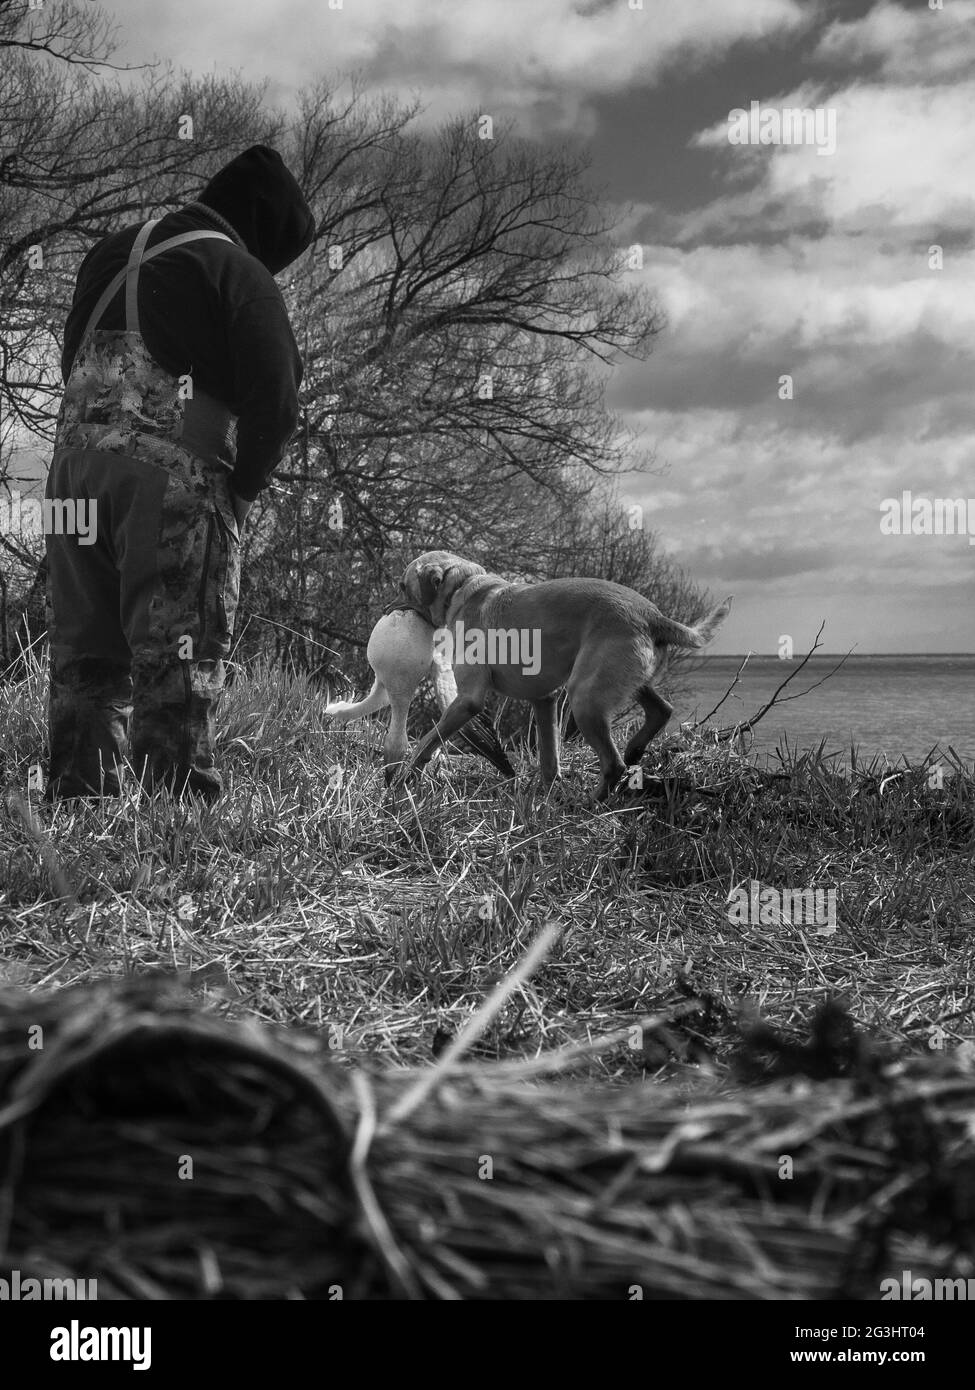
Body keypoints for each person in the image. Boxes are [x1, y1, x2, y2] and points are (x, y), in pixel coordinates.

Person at [44, 145, 314, 801]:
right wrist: (241, 492)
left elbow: (76, 359)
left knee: (85, 649)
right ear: (263, 233)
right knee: (178, 654)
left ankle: (81, 801)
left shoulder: (109, 251)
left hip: (72, 472)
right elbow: (277, 402)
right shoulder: (238, 269)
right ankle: (173, 814)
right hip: (169, 481)